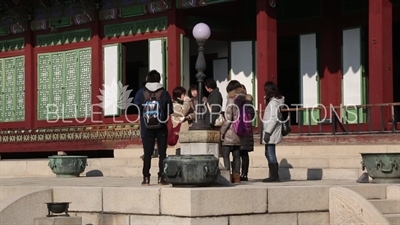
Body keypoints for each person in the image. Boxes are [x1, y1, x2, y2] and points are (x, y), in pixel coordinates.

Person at [135, 70, 173, 186]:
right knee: (162, 153)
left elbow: (136, 106)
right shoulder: (164, 93)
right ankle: (162, 177)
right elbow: (170, 110)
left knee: (147, 153)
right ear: (158, 79)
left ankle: (146, 178)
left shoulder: (141, 92)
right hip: (161, 126)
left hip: (146, 127)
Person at [220, 80, 247, 183]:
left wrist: (222, 131)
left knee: (226, 154)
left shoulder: (231, 101)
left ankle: (227, 175)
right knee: (236, 155)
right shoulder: (243, 100)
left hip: (230, 132)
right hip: (239, 131)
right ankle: (237, 176)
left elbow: (228, 119)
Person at [262, 81, 284, 182]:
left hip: (271, 131)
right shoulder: (274, 102)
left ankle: (274, 175)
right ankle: (273, 174)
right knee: (268, 153)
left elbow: (274, 118)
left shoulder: (273, 103)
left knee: (270, 153)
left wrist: (267, 132)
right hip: (270, 131)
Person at [135, 76, 158, 159]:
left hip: (145, 116)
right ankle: (154, 151)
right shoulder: (159, 92)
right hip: (157, 117)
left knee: (146, 135)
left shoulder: (141, 92)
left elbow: (137, 104)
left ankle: (148, 152)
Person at [171, 86, 194, 154]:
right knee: (180, 150)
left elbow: (193, 113)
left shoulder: (185, 104)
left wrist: (189, 116)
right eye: (183, 94)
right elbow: (182, 113)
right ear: (179, 95)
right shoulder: (174, 105)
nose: (185, 96)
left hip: (188, 131)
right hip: (179, 132)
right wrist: (186, 102)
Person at [239, 84, 255, 181]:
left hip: (245, 131)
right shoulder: (238, 103)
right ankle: (238, 172)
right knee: (239, 153)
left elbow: (250, 116)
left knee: (244, 153)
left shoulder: (247, 103)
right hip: (239, 131)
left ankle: (244, 173)